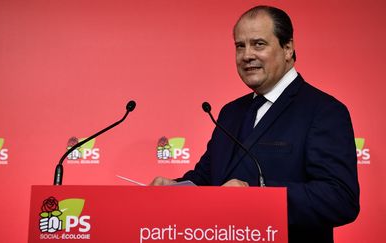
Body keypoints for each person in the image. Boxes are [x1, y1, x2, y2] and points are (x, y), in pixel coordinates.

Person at [150, 5, 360, 243]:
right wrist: (175, 188)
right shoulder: (230, 112)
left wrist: (258, 196)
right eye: (240, 46)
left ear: (288, 48)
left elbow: (340, 199)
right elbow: (207, 178)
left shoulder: (324, 110)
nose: (247, 55)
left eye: (258, 44)